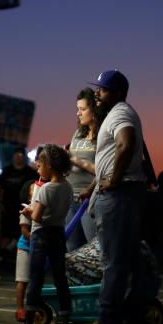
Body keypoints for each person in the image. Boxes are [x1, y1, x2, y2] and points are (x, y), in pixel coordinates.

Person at [75, 69, 147, 324]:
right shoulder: (117, 113)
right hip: (125, 192)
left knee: (113, 259)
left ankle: (108, 320)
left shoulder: (120, 113)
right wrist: (94, 186)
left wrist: (114, 180)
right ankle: (133, 317)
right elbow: (110, 156)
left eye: (102, 89)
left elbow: (125, 144)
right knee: (127, 259)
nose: (97, 93)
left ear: (117, 92)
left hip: (121, 194)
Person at [19, 144, 76, 324]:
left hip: (41, 235)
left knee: (36, 278)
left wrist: (28, 212)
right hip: (58, 234)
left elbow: (37, 217)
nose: (37, 167)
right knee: (60, 278)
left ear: (50, 166)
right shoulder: (67, 187)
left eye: (40, 164)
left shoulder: (45, 190)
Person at [66, 88, 100, 251]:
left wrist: (78, 161)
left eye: (83, 109)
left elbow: (104, 170)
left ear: (94, 109)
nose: (78, 113)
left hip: (89, 199)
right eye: (77, 109)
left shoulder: (103, 135)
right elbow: (70, 159)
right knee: (72, 247)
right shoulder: (78, 133)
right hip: (69, 197)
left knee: (92, 248)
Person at [0, 148, 39, 255]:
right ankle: (2, 255)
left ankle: (17, 255)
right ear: (13, 156)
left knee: (21, 232)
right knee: (5, 233)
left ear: (24, 156)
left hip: (24, 208)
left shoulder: (30, 172)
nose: (19, 156)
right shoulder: (7, 170)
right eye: (16, 154)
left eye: (21, 154)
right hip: (7, 208)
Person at [14, 179, 38, 322]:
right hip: (25, 248)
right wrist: (37, 240)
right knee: (22, 280)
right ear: (29, 197)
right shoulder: (26, 210)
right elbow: (25, 232)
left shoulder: (41, 209)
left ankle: (32, 307)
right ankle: (20, 308)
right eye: (33, 192)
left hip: (36, 248)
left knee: (35, 280)